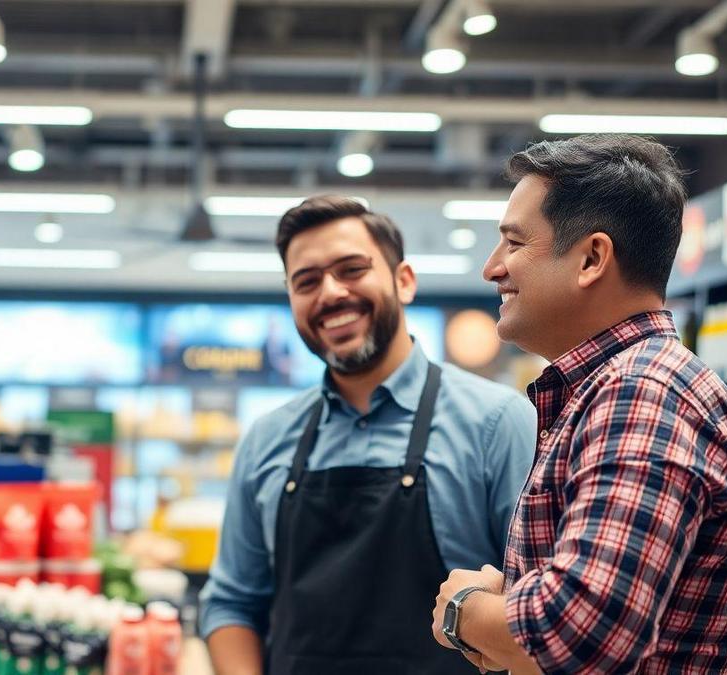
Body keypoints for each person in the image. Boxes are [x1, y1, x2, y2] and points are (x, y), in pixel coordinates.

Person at [432, 134, 727, 674]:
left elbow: (576, 636)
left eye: (515, 244)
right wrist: (516, 603)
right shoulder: (613, 390)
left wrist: (465, 609)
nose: (492, 268)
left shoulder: (643, 395)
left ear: (592, 258)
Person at [201, 195, 537, 675]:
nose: (330, 293)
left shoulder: (498, 423)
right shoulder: (267, 439)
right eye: (306, 281)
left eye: (351, 269)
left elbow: (537, 609)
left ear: (404, 281)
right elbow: (232, 603)